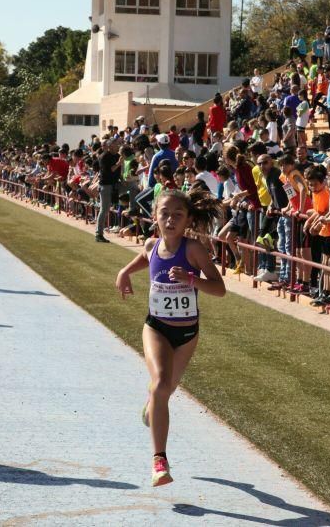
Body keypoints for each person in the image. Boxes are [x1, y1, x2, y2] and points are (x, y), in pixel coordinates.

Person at [115, 189, 225, 487]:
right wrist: (124, 272)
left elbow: (219, 288)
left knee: (166, 389)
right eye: (164, 213)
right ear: (155, 216)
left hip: (187, 333)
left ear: (188, 218)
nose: (171, 219)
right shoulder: (152, 244)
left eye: (178, 214)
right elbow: (145, 257)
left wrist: (191, 279)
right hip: (156, 328)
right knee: (162, 384)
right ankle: (159, 462)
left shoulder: (193, 250)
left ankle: (152, 403)